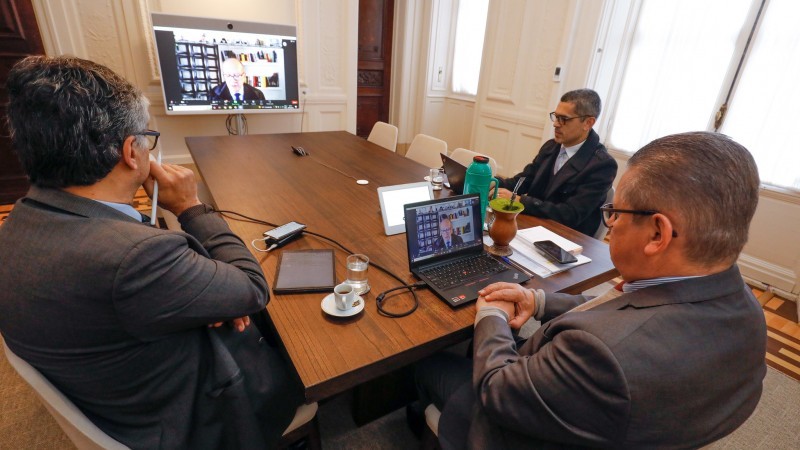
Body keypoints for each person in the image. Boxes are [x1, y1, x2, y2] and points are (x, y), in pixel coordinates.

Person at [0, 56, 302, 449]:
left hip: (115, 389)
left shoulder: (19, 222)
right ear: (131, 152)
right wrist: (190, 207)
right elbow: (251, 288)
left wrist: (198, 298)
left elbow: (134, 290)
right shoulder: (135, 258)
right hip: (188, 418)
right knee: (301, 342)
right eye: (148, 138)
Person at [415, 131, 766, 449]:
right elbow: (622, 307)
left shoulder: (604, 354)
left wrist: (492, 314)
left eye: (614, 213)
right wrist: (536, 300)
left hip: (509, 426)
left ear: (657, 234)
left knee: (422, 363)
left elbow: (496, 388)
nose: (609, 224)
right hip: (607, 421)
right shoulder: (748, 313)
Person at [495, 89, 617, 236]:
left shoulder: (602, 165)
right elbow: (524, 180)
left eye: (564, 119)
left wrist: (519, 200)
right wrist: (495, 184)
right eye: (556, 117)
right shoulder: (551, 146)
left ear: (588, 123)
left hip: (566, 240)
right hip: (533, 228)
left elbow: (570, 214)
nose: (556, 124)